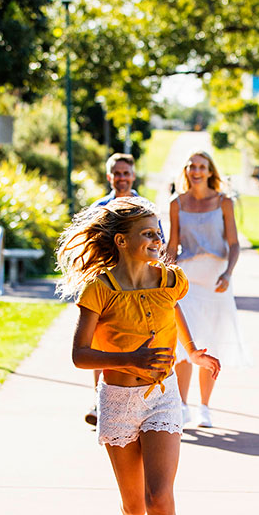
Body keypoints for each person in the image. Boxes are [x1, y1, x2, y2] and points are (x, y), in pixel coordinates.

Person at [58, 197, 221, 515]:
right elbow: (78, 355)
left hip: (163, 395)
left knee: (160, 497)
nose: (157, 239)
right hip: (117, 399)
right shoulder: (100, 289)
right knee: (136, 504)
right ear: (122, 241)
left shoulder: (171, 279)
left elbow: (174, 306)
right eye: (148, 233)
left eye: (158, 233)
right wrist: (129, 356)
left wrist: (192, 352)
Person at [166, 151, 251, 427]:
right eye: (191, 166)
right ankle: (181, 405)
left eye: (201, 166)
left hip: (216, 279)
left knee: (210, 342)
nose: (196, 171)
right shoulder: (176, 203)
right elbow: (172, 246)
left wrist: (228, 272)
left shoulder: (224, 202)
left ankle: (204, 407)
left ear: (210, 171)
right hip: (188, 279)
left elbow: (234, 244)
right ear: (186, 171)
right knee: (185, 341)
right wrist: (167, 277)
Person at [84, 153, 149, 426]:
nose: (122, 178)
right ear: (109, 177)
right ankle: (101, 401)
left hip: (136, 286)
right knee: (101, 340)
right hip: (106, 285)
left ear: (133, 176)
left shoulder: (145, 208)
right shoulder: (99, 208)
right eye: (117, 173)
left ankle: (139, 401)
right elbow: (89, 247)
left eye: (126, 173)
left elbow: (157, 244)